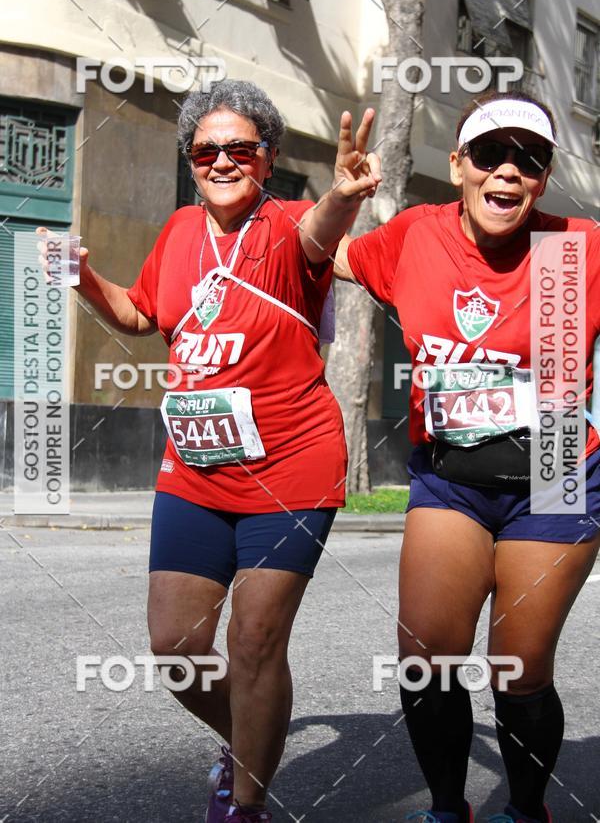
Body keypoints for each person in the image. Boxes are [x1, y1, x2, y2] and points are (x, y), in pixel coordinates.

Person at [39, 80, 381, 822]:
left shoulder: (289, 223)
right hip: (195, 467)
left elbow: (321, 232)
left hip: (291, 465)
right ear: (191, 161)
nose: (222, 161)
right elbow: (139, 312)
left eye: (240, 148)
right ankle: (252, 738)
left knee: (254, 640)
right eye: (206, 150)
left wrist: (346, 196)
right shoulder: (180, 232)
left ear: (269, 156)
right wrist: (81, 277)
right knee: (176, 648)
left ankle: (247, 804)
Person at [335, 88, 600, 823]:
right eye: (490, 155)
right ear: (458, 166)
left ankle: (525, 808)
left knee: (516, 673)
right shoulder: (416, 236)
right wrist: (336, 199)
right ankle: (448, 809)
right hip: (450, 473)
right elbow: (318, 253)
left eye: (530, 159)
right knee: (427, 661)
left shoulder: (573, 249)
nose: (507, 172)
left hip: (552, 469)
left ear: (543, 178)